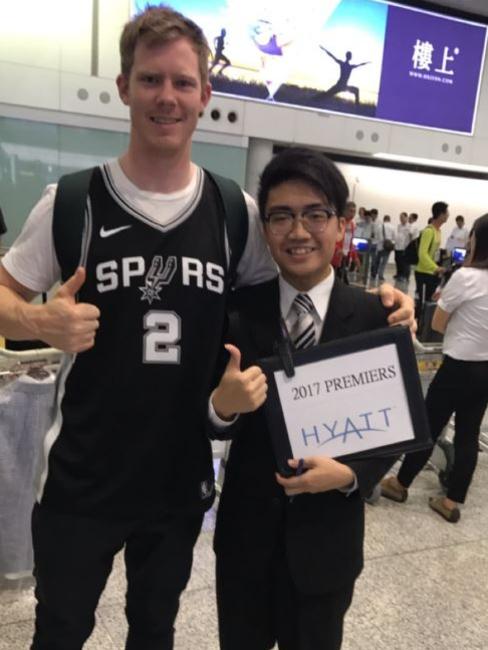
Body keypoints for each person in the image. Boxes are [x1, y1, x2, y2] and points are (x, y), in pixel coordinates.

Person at [0, 7, 413, 650]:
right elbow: (5, 293)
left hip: (180, 478)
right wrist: (34, 317)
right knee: (59, 630)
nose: (167, 97)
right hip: (82, 477)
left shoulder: (233, 210)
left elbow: (290, 291)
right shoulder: (73, 201)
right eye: (151, 80)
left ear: (205, 96)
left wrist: (380, 301)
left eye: (183, 83)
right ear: (124, 87)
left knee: (155, 631)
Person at [211, 148, 399, 650]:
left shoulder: (376, 318)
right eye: (282, 216)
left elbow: (398, 426)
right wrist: (223, 406)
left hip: (327, 545)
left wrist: (354, 474)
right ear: (265, 228)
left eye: (315, 214)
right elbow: (207, 417)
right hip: (245, 540)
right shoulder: (235, 312)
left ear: (342, 225)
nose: (298, 232)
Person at [381, 214, 488, 523]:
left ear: (476, 241)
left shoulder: (466, 277)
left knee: (428, 425)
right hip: (485, 370)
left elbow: (438, 323)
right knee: (468, 433)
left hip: (458, 366)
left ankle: (399, 485)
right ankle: (452, 501)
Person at [414, 201, 449, 317]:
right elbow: (422, 254)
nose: (448, 215)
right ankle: (418, 326)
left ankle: (424, 326)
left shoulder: (438, 231)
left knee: (430, 301)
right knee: (422, 303)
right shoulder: (429, 231)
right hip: (423, 273)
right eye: (446, 212)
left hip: (432, 273)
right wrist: (436, 268)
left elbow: (433, 252)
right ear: (440, 214)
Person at [371, 215, 395, 282]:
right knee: (384, 262)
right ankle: (380, 275)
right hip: (387, 247)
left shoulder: (379, 226)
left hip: (379, 246)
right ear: (389, 219)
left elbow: (376, 236)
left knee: (377, 261)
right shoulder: (392, 227)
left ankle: (374, 273)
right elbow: (394, 237)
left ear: (384, 219)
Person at [394, 211, 411, 281]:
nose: (401, 219)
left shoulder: (409, 226)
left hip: (405, 247)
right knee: (397, 261)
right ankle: (398, 274)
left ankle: (405, 276)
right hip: (397, 246)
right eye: (400, 217)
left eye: (402, 217)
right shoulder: (399, 226)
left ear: (406, 218)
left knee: (404, 263)